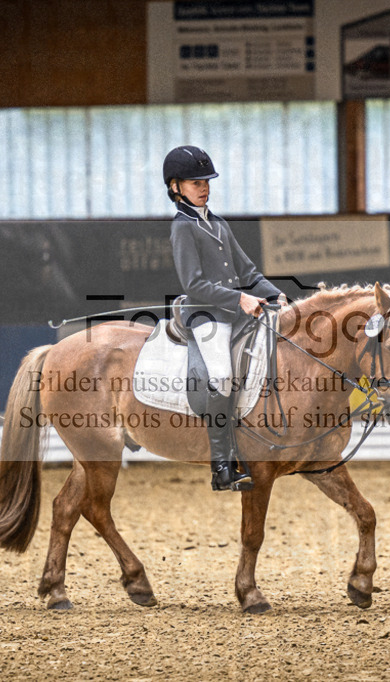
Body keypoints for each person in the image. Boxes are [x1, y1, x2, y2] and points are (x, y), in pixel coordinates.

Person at [163, 145, 287, 492]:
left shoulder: (217, 223)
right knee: (222, 375)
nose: (203, 187)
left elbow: (248, 271)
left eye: (205, 181)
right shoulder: (183, 227)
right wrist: (241, 299)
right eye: (194, 182)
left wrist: (274, 293)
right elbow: (194, 284)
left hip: (236, 311)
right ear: (176, 187)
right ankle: (221, 466)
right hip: (206, 315)